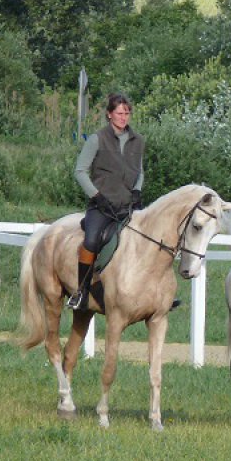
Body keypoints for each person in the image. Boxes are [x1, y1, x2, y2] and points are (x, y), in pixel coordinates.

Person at [68, 93, 144, 311]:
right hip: (101, 207)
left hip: (127, 206)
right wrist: (96, 196)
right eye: (119, 113)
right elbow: (80, 172)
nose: (123, 117)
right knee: (91, 241)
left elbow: (140, 171)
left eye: (127, 113)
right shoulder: (96, 139)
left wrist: (137, 190)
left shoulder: (137, 141)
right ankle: (81, 292)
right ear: (110, 115)